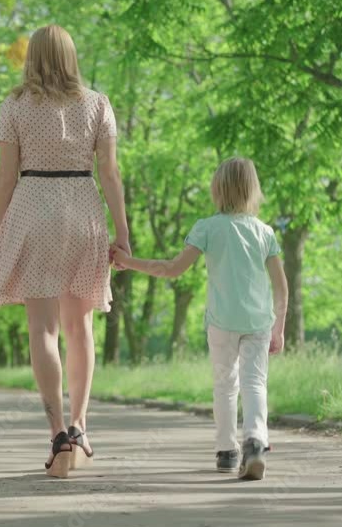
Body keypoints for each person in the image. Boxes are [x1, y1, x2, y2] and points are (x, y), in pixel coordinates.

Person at [0, 24, 130, 478]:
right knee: (80, 326)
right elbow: (110, 174)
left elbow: (6, 176)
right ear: (71, 56)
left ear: (32, 57)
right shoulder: (97, 103)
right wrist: (122, 231)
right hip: (83, 211)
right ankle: (81, 426)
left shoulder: (15, 105)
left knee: (42, 329)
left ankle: (57, 435)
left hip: (33, 211)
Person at [112, 157, 288, 480]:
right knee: (255, 383)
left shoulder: (206, 228)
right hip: (259, 322)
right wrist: (280, 326)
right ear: (253, 191)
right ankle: (256, 443)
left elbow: (171, 269)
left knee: (225, 386)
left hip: (221, 322)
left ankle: (226, 451)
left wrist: (129, 261)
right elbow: (281, 286)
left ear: (216, 190)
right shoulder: (265, 232)